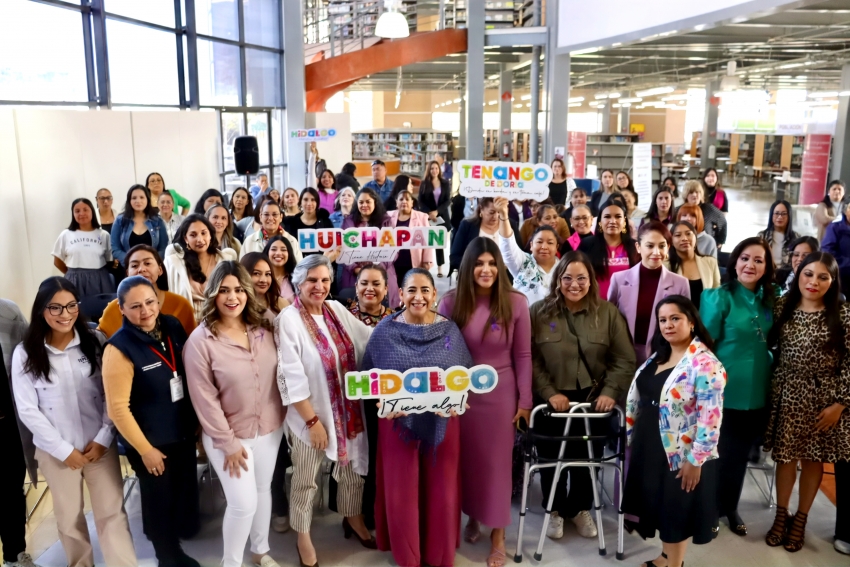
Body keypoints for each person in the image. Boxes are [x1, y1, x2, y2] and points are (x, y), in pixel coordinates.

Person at [12, 278, 136, 567]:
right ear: (41, 310)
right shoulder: (26, 353)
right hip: (57, 453)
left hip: (98, 448)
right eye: (55, 308)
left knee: (111, 513)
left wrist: (104, 438)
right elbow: (28, 411)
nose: (64, 314)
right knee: (69, 519)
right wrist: (64, 451)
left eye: (70, 306)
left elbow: (111, 395)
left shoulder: (95, 342)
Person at [366, 268, 474, 567]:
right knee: (402, 491)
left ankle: (438, 554)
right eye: (411, 290)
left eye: (425, 290)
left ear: (434, 294)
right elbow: (368, 377)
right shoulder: (385, 331)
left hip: (443, 421)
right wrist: (383, 401)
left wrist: (456, 402)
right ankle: (408, 555)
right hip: (398, 424)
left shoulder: (450, 331)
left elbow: (464, 376)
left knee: (442, 490)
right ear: (400, 294)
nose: (418, 296)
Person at [275, 255, 375, 567]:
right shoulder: (288, 320)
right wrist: (312, 420)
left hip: (348, 412)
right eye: (312, 281)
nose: (319, 287)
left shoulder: (337, 310)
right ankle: (303, 538)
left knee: (352, 470)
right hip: (310, 416)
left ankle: (353, 517)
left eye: (325, 280)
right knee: (306, 480)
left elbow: (369, 339)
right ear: (298, 283)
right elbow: (289, 375)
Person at [438, 239, 532, 566]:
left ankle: (498, 534)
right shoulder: (450, 302)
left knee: (496, 466)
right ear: (468, 267)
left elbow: (522, 354)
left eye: (492, 263)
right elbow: (442, 352)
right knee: (466, 461)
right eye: (479, 263)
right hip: (461, 394)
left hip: (501, 395)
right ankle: (472, 516)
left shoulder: (516, 302)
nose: (486, 270)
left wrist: (525, 400)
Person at [184, 262, 285, 567]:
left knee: (262, 490)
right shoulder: (200, 342)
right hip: (228, 437)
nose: (232, 297)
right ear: (213, 294)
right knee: (242, 504)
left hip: (269, 427)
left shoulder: (265, 324)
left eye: (239, 290)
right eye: (224, 290)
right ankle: (231, 563)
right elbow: (205, 400)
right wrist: (228, 444)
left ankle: (260, 550)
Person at [531, 251, 636, 540]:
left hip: (593, 400)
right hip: (551, 401)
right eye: (567, 278)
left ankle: (579, 509)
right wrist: (549, 392)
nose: (574, 284)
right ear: (557, 280)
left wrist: (610, 392)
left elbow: (624, 359)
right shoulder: (539, 312)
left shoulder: (608, 314)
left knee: (587, 459)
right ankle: (553, 507)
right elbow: (530, 358)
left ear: (591, 280)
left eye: (581, 278)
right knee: (551, 458)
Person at [102, 276, 200, 567]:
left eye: (149, 302)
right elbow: (117, 410)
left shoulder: (171, 325)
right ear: (121, 309)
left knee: (180, 493)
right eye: (134, 306)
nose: (145, 311)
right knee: (159, 501)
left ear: (158, 301)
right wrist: (145, 450)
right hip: (149, 440)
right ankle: (167, 557)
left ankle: (176, 540)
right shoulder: (118, 349)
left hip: (181, 430)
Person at [623, 296, 726, 567]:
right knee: (660, 507)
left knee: (675, 512)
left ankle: (674, 565)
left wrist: (696, 460)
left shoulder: (705, 362)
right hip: (651, 444)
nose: (668, 325)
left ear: (691, 322)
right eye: (663, 320)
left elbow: (710, 417)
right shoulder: (660, 354)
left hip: (681, 453)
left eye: (675, 318)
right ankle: (665, 558)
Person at [764, 252, 850, 552]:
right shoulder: (782, 307)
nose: (814, 281)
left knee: (813, 459)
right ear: (798, 274)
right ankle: (781, 514)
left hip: (823, 399)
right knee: (785, 457)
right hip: (787, 393)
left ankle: (800, 519)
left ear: (833, 280)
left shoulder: (844, 314)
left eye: (823, 276)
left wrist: (840, 404)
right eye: (808, 274)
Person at [700, 236, 777, 537]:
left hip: (757, 389)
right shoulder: (719, 297)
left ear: (767, 267)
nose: (751, 264)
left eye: (759, 260)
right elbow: (705, 348)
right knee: (716, 453)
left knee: (740, 455)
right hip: (723, 390)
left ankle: (729, 507)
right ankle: (707, 508)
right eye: (745, 258)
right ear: (735, 261)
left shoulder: (771, 298)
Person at [328, 264, 396, 531]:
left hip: (383, 399)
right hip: (349, 399)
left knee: (377, 455)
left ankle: (374, 511)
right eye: (364, 283)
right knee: (351, 456)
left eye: (376, 283)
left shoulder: (395, 319)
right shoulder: (341, 317)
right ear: (355, 287)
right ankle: (349, 512)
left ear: (386, 289)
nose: (370, 289)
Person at [608, 221, 691, 364]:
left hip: (663, 357)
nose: (656, 252)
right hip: (622, 356)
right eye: (650, 246)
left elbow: (684, 326)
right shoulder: (619, 279)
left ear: (668, 247)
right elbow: (608, 319)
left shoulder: (681, 284)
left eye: (662, 246)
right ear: (638, 247)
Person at [0, 299, 40, 567]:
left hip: (6, 423)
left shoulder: (8, 312)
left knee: (10, 491)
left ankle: (15, 555)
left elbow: (30, 357)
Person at [98, 245, 196, 338]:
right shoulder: (113, 309)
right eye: (135, 266)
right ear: (127, 273)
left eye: (147, 263)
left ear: (160, 269)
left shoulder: (181, 305)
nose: (141, 269)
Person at [164, 214, 239, 321]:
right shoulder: (173, 263)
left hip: (219, 322)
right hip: (185, 324)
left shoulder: (225, 260)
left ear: (210, 235)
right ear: (186, 238)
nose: (200, 239)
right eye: (193, 235)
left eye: (204, 233)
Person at [341, 188, 400, 307]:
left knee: (383, 312)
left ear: (375, 202)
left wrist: (378, 269)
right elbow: (343, 250)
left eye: (368, 201)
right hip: (354, 275)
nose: (364, 205)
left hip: (382, 272)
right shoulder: (348, 222)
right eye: (361, 202)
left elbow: (394, 250)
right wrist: (355, 269)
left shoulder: (386, 221)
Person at [495, 197, 559, 306]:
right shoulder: (522, 262)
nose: (544, 246)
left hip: (555, 322)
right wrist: (504, 215)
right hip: (523, 320)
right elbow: (507, 245)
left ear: (557, 247)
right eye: (539, 242)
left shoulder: (564, 267)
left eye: (550, 242)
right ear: (531, 245)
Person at [52, 198, 115, 296]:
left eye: (85, 210)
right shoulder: (66, 234)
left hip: (100, 279)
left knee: (102, 309)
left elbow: (109, 260)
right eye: (77, 211)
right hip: (74, 279)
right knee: (76, 308)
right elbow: (57, 261)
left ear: (92, 212)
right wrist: (72, 274)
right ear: (73, 214)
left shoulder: (104, 235)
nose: (81, 213)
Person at [578, 198, 639, 298]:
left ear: (624, 221)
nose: (612, 221)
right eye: (607, 217)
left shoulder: (635, 247)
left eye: (618, 216)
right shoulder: (587, 245)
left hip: (626, 306)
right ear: (600, 222)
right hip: (595, 307)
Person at [451, 198, 522, 277]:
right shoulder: (467, 225)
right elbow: (454, 257)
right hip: (473, 276)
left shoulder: (510, 225)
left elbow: (520, 254)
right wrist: (477, 265)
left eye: (499, 212)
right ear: (481, 209)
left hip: (506, 277)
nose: (496, 216)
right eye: (491, 212)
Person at [666, 222, 721, 309]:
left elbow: (716, 295)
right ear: (671, 241)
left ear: (695, 238)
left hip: (705, 319)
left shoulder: (710, 262)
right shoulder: (665, 266)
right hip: (678, 318)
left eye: (688, 234)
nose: (684, 238)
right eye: (678, 235)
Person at [386, 190, 435, 286]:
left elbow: (428, 241)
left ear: (412, 203)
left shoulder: (422, 217)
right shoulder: (388, 216)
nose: (404, 202)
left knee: (411, 288)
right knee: (395, 290)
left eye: (407, 199)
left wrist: (427, 261)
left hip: (414, 262)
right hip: (393, 263)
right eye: (401, 199)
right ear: (396, 202)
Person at [111, 185, 169, 265]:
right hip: (128, 268)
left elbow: (163, 247)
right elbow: (115, 248)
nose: (138, 201)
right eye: (134, 198)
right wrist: (132, 263)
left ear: (147, 200)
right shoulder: (120, 220)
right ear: (129, 201)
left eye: (142, 197)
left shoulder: (157, 220)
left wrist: (151, 263)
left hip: (152, 268)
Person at [418, 161, 451, 275]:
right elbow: (420, 201)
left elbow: (447, 200)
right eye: (432, 168)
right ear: (429, 170)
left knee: (438, 243)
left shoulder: (445, 183)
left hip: (441, 216)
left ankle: (440, 267)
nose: (434, 170)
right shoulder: (424, 184)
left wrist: (437, 212)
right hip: (428, 217)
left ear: (439, 170)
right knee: (426, 242)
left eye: (436, 168)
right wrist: (429, 213)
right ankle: (424, 266)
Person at [240, 252, 288, 317]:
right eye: (256, 273)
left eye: (267, 274)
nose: (263, 280)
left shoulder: (281, 304)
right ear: (244, 274)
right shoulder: (236, 304)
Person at [682, 180, 727, 250]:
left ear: (701, 194)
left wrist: (720, 241)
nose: (694, 195)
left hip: (706, 247)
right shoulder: (679, 210)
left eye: (697, 192)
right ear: (685, 195)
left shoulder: (710, 209)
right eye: (691, 192)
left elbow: (722, 221)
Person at [758, 200, 799, 268]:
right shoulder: (762, 236)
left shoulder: (796, 238)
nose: (780, 217)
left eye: (783, 214)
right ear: (771, 215)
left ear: (789, 216)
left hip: (787, 275)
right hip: (767, 273)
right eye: (776, 213)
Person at [822, 200, 850, 298]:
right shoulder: (835, 226)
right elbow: (827, 251)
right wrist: (846, 262)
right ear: (846, 210)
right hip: (840, 276)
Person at [263, 236, 297, 304]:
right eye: (274, 249)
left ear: (289, 254)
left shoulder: (297, 278)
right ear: (267, 252)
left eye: (283, 250)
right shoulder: (261, 278)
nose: (278, 253)